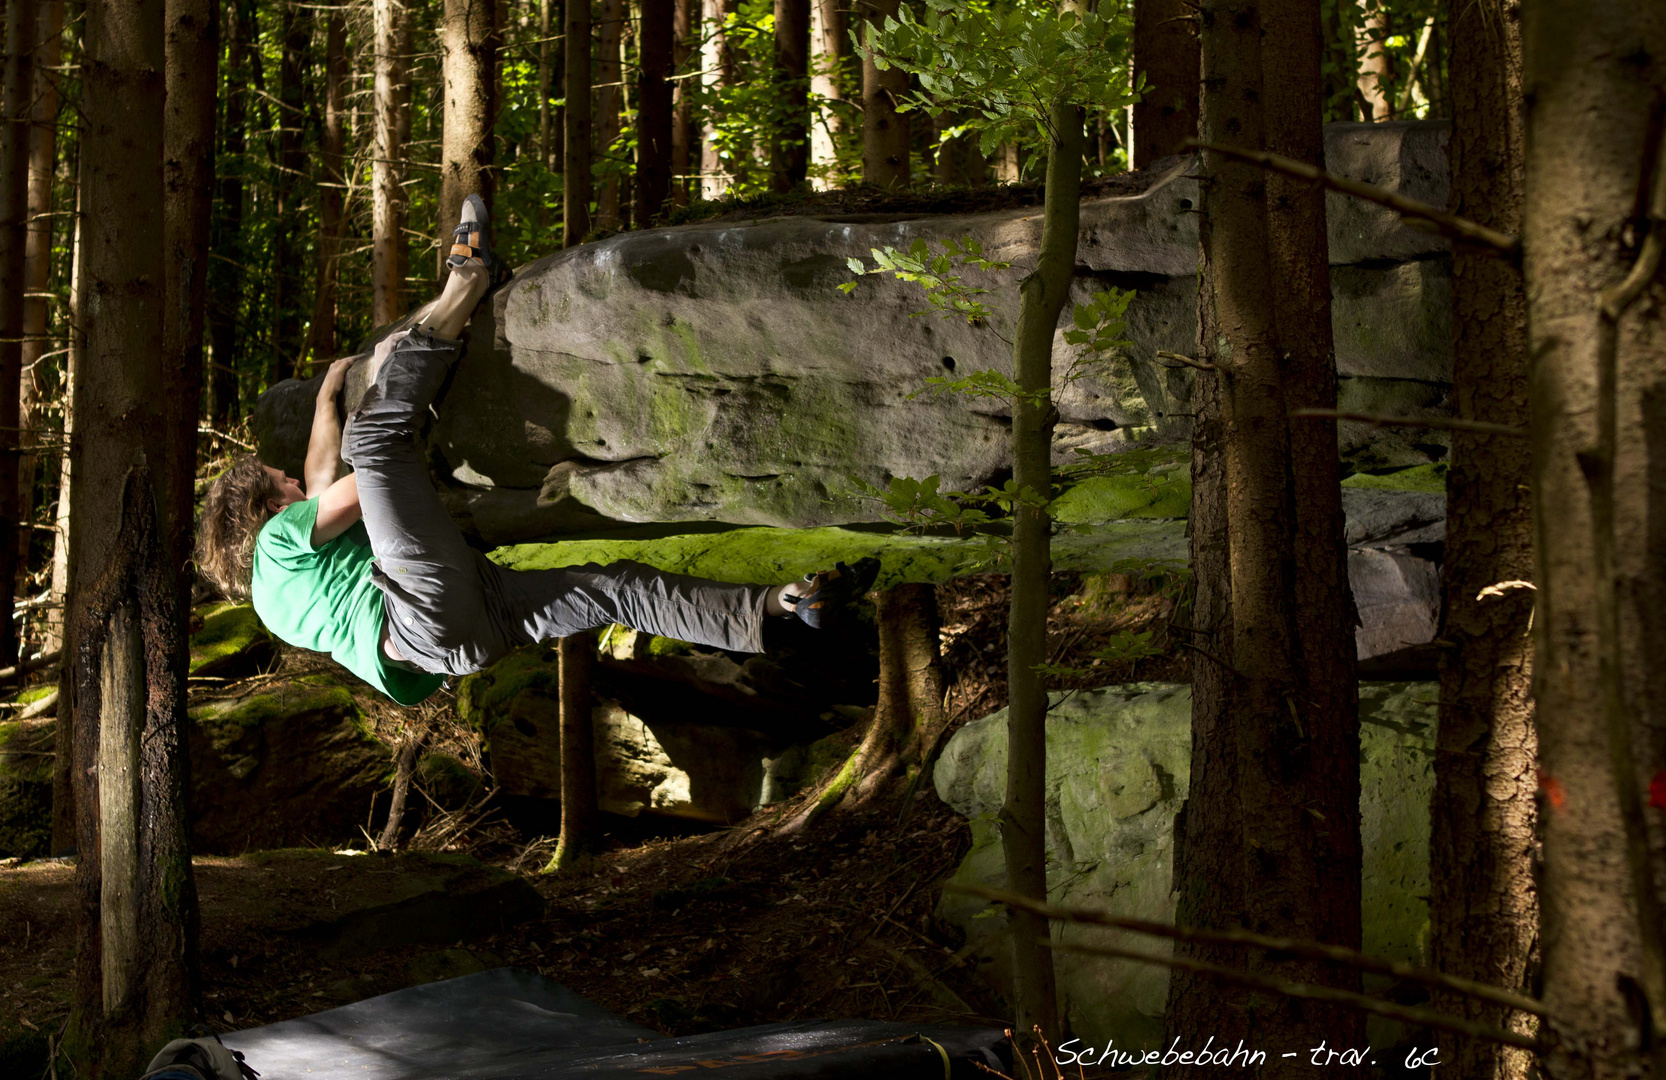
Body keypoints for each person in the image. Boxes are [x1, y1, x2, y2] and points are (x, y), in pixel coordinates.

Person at [197, 196, 878, 706]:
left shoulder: (274, 600)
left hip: (453, 645)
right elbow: (347, 479)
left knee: (615, 590)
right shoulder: (276, 542)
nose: (289, 479)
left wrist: (324, 402)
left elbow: (319, 487)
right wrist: (357, 414)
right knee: (376, 439)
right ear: (260, 508)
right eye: (276, 482)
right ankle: (466, 282)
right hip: (422, 602)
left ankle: (780, 605)